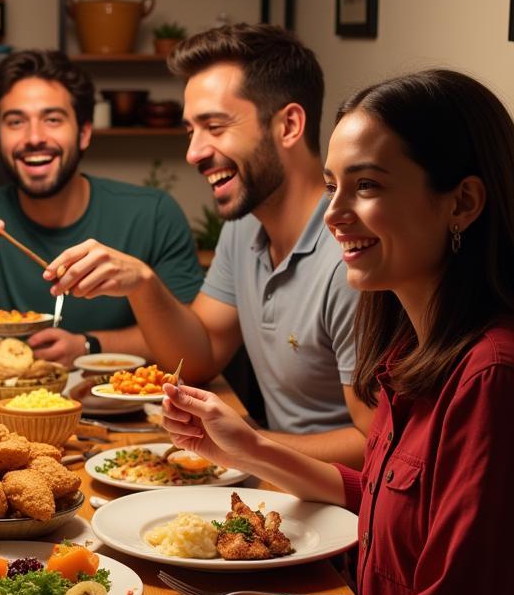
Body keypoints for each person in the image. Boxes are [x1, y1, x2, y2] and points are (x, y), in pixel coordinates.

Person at [160, 69, 514, 595]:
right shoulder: (410, 352)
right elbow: (381, 499)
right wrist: (244, 448)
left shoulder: (491, 377)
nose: (335, 214)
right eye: (332, 185)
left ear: (464, 201)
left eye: (368, 187)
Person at [41, 24, 371, 466]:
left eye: (214, 126)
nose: (194, 152)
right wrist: (142, 283)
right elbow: (200, 358)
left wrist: (245, 445)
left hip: (341, 514)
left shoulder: (350, 255)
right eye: (191, 130)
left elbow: (379, 448)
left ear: (289, 124)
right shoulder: (244, 225)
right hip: (273, 481)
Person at [0, 49, 203, 366]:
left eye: (52, 119)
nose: (34, 137)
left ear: (84, 132)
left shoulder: (153, 214)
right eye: (16, 121)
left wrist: (90, 345)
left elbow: (193, 344)